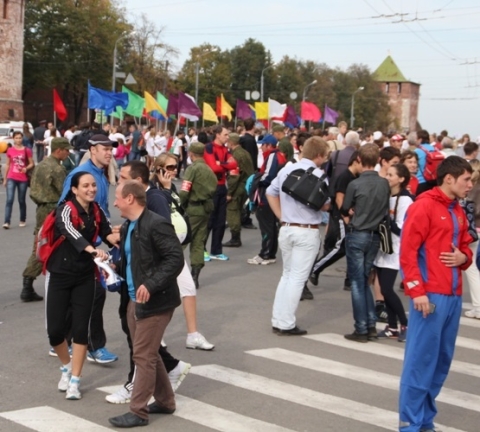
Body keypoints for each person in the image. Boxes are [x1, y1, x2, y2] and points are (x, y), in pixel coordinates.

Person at [399, 156, 473, 432]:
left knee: (440, 363)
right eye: (466, 179)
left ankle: (425, 420)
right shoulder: (424, 206)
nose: (470, 185)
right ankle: (410, 423)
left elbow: (466, 248)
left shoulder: (458, 210)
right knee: (420, 362)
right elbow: (407, 252)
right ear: (449, 178)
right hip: (429, 297)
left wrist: (462, 257)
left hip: (453, 296)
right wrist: (417, 291)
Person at [108, 181, 184, 428]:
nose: (115, 202)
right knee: (150, 354)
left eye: (118, 197)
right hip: (134, 299)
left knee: (143, 355)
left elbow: (175, 259)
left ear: (130, 199)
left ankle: (138, 411)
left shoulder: (156, 223)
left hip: (155, 300)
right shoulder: (131, 225)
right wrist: (113, 267)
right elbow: (137, 261)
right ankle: (165, 401)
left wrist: (151, 285)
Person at [46, 171, 116, 400]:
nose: (91, 189)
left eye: (93, 185)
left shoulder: (97, 210)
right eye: (85, 185)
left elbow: (107, 233)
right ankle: (66, 367)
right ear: (74, 189)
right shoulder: (65, 209)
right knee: (55, 331)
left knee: (80, 330)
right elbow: (70, 231)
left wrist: (126, 237)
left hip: (86, 276)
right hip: (60, 274)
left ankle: (75, 380)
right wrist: (92, 249)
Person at [58, 134, 118, 364]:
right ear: (92, 150)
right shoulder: (81, 175)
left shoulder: (99, 174)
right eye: (104, 149)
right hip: (77, 245)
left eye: (111, 149)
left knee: (82, 295)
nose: (109, 153)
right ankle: (93, 346)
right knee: (94, 293)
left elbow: (99, 212)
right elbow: (63, 210)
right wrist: (87, 244)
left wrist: (111, 233)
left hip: (89, 242)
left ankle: (64, 340)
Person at [267, 137, 330, 335]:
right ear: (319, 155)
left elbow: (270, 191)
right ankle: (286, 323)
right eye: (325, 156)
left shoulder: (287, 169)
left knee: (286, 275)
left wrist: (280, 215)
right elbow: (325, 204)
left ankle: (278, 318)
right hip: (307, 228)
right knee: (297, 278)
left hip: (286, 227)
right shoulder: (320, 175)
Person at [341, 143, 390, 342]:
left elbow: (344, 208)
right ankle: (369, 324)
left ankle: (361, 327)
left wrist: (352, 210)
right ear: (378, 160)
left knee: (356, 282)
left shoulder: (355, 184)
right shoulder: (384, 183)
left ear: (359, 160)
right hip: (375, 235)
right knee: (364, 280)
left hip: (358, 232)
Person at [21, 137, 72, 302]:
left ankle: (28, 282)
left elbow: (33, 189)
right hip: (54, 208)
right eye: (66, 150)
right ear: (59, 150)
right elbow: (64, 190)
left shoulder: (41, 165)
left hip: (41, 208)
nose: (68, 152)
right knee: (53, 243)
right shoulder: (57, 169)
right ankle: (32, 280)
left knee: (40, 241)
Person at [308, 151, 362, 295]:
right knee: (341, 247)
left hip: (349, 217)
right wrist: (344, 216)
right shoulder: (345, 176)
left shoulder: (356, 176)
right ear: (356, 161)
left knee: (350, 248)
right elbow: (339, 199)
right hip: (340, 216)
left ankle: (349, 280)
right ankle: (315, 269)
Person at [374, 164, 413, 341]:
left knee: (388, 289)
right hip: (383, 247)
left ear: (401, 179)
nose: (387, 177)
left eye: (391, 175)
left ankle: (404, 323)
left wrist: (385, 218)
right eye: (387, 174)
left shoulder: (406, 200)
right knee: (383, 288)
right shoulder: (388, 196)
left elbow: (403, 230)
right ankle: (392, 327)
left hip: (395, 249)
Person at [179, 143, 218, 288]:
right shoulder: (209, 170)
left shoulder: (192, 169)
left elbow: (184, 191)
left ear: (191, 154)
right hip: (205, 210)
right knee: (198, 243)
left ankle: (171, 272)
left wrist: (179, 205)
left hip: (193, 208)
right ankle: (195, 276)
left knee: (181, 240)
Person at [248, 134, 286, 265]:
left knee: (266, 225)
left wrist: (256, 181)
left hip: (266, 195)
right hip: (276, 195)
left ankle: (265, 254)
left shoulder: (272, 156)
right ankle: (270, 253)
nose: (261, 148)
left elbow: (268, 176)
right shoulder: (280, 155)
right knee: (272, 226)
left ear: (269, 145)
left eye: (263, 145)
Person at [203, 125, 238, 261]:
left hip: (223, 186)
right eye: (225, 134)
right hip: (211, 187)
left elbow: (234, 164)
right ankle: (201, 250)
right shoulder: (209, 147)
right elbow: (213, 167)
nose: (227, 137)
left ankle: (216, 251)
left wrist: (221, 163)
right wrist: (224, 165)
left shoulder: (225, 149)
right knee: (209, 220)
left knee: (220, 221)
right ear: (217, 134)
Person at [223, 133, 254, 248]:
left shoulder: (235, 155)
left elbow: (234, 176)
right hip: (246, 184)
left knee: (232, 210)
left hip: (239, 185)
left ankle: (235, 238)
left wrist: (230, 193)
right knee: (238, 209)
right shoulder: (245, 153)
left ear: (231, 143)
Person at [3, 131, 34, 229]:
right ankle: (7, 221)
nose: (18, 140)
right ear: (13, 139)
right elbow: (8, 164)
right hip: (11, 177)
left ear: (22, 139)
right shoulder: (10, 150)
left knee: (21, 200)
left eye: (20, 138)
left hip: (22, 178)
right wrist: (5, 178)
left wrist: (26, 168)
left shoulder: (26, 150)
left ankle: (22, 219)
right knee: (9, 199)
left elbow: (31, 163)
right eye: (16, 138)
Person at [414, 129, 437, 195]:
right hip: (434, 182)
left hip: (421, 182)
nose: (415, 141)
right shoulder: (435, 150)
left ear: (420, 139)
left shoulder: (417, 151)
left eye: (416, 139)